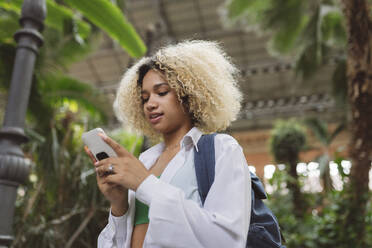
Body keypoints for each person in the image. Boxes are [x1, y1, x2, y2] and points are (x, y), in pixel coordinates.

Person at [84, 40, 251, 248]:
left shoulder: (221, 150)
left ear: (189, 95)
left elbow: (227, 240)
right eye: (144, 98)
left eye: (161, 92)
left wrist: (145, 184)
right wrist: (119, 204)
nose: (150, 104)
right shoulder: (144, 161)